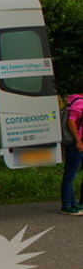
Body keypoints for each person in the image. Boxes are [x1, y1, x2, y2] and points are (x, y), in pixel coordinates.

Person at [60, 77, 83, 215]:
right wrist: (78, 140)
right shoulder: (80, 103)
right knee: (70, 175)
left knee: (71, 174)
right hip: (75, 143)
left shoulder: (73, 100)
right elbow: (71, 121)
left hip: (75, 143)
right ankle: (67, 205)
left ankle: (73, 202)